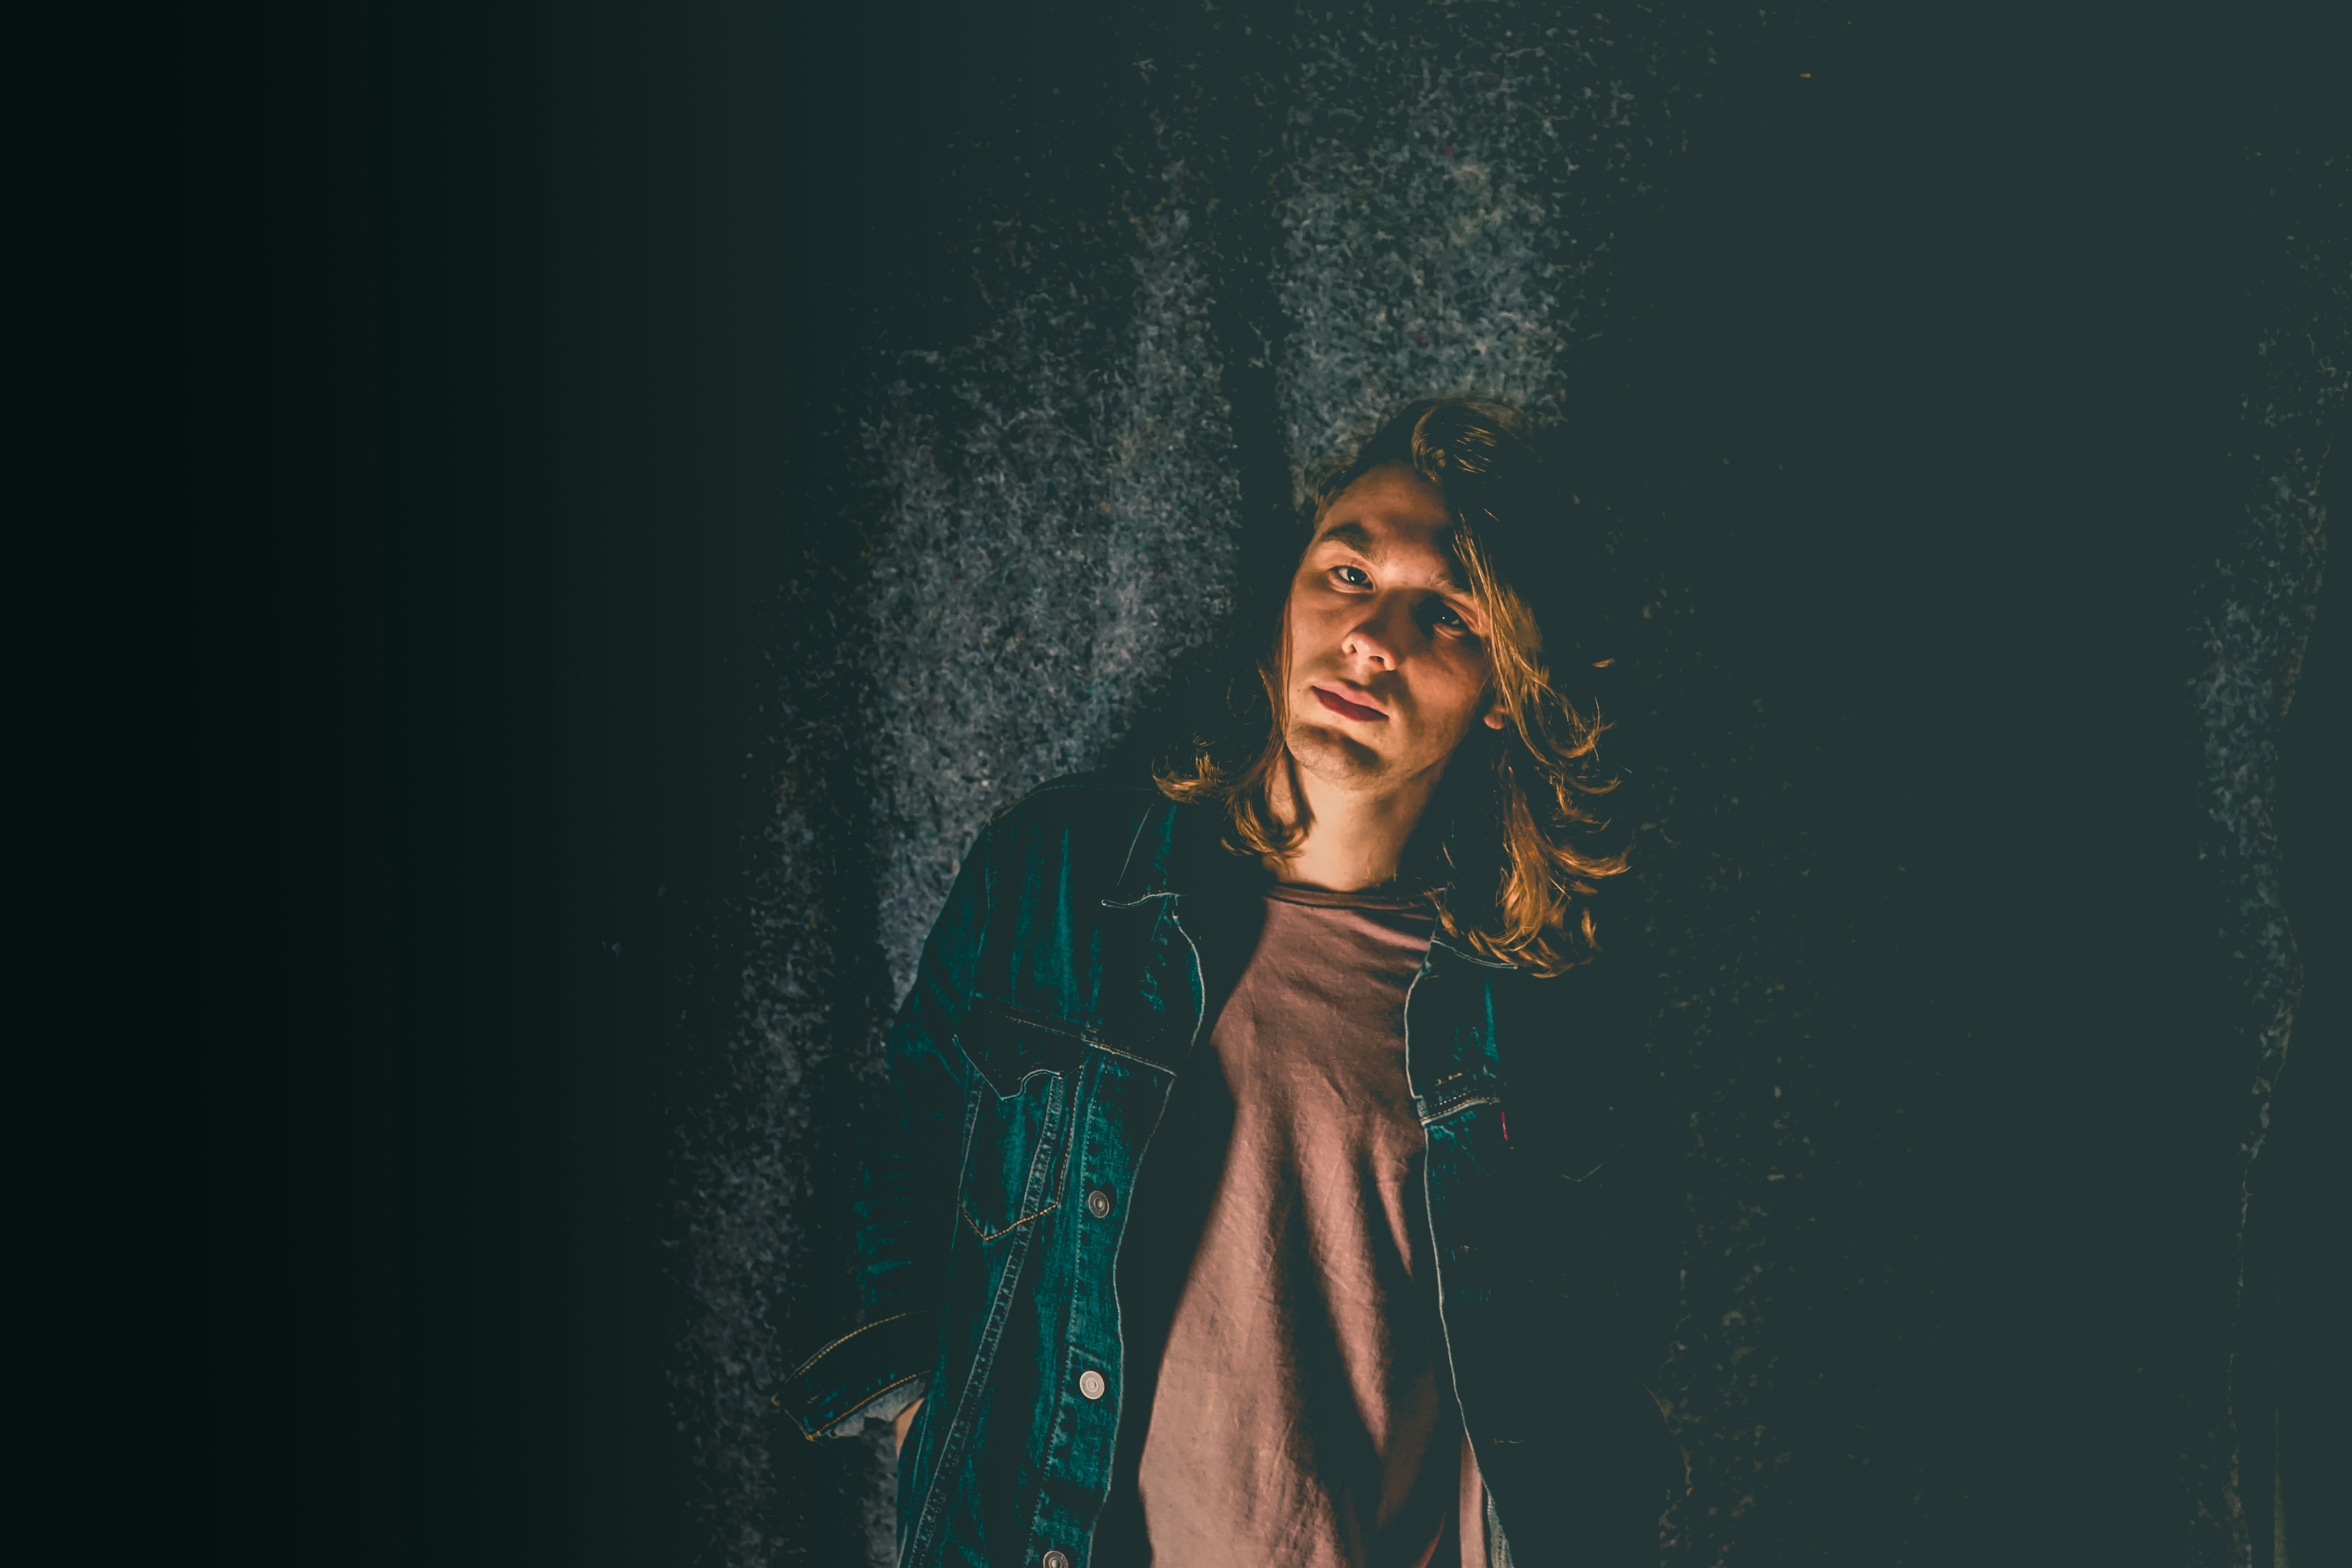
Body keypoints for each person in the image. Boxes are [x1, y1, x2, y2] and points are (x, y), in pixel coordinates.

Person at [779, 398, 1674, 1566]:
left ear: (1505, 684)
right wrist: (918, 1411)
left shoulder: (1541, 1012)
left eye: (1445, 613)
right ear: (1291, 588)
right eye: (1347, 571)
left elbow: (1597, 1363)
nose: (1370, 637)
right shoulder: (1061, 878)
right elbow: (904, 1128)